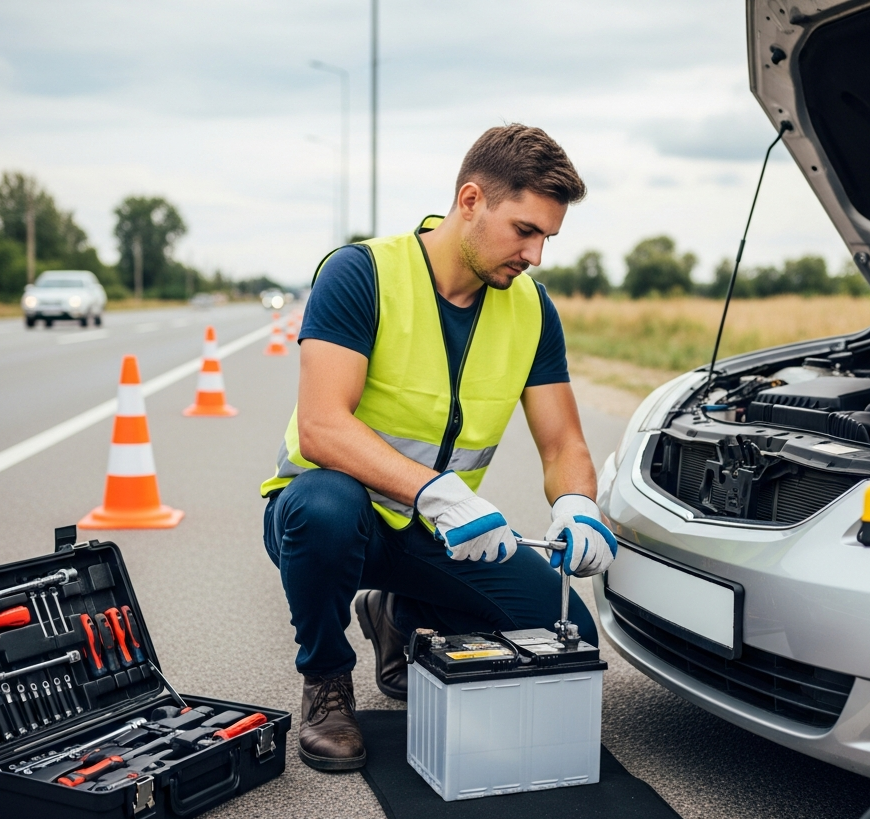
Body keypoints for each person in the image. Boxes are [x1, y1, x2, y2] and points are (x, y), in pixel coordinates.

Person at [261, 124, 618, 771]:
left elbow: (563, 441)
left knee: (564, 633)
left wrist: (577, 504)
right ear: (471, 200)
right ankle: (327, 681)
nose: (536, 255)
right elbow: (321, 427)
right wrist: (434, 490)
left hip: (435, 532)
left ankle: (399, 614)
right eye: (525, 230)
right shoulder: (362, 273)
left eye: (547, 237)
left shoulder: (532, 310)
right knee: (326, 505)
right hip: (330, 521)